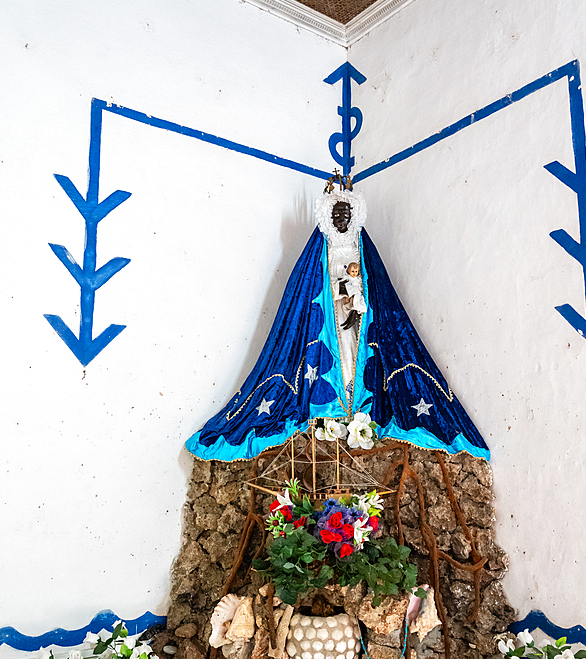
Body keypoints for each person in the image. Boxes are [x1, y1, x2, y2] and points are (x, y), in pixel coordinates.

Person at [186, 191, 488, 463]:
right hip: (330, 319)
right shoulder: (321, 251)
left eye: (346, 214)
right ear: (329, 218)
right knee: (336, 355)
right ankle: (330, 409)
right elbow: (311, 288)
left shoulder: (361, 249)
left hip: (357, 316)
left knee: (356, 355)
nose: (342, 218)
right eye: (337, 214)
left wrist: (356, 290)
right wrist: (340, 289)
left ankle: (358, 410)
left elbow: (376, 290)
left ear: (354, 216)